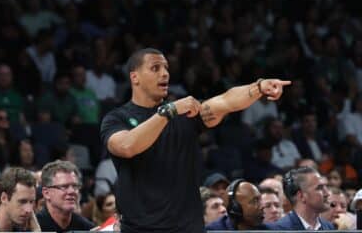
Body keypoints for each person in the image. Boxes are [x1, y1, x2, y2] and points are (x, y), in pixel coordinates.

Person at [100, 48, 290, 232]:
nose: (165, 73)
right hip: (141, 229)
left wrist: (258, 87)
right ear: (135, 77)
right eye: (155, 68)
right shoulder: (117, 119)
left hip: (188, 228)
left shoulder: (185, 113)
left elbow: (225, 101)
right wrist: (169, 112)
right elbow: (127, 146)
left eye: (166, 68)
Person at [266, 167, 335, 230]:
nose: (327, 193)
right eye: (319, 188)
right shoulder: (278, 230)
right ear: (301, 196)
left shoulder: (329, 227)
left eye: (326, 187)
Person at [0, 167, 40, 232]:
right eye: (22, 201)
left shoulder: (27, 230)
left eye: (31, 202)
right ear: (4, 198)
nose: (28, 210)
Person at [36, 160, 94, 232]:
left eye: (75, 186)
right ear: (46, 193)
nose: (72, 191)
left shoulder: (87, 228)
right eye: (64, 186)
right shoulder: (33, 227)